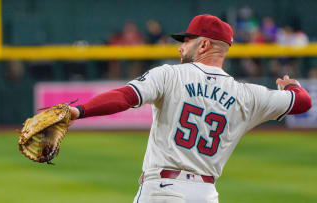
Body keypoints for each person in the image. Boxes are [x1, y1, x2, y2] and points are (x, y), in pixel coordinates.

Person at [68, 14, 312, 203]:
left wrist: (79, 111)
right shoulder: (247, 95)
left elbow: (125, 96)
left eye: (186, 41)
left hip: (162, 191)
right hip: (206, 195)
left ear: (204, 44)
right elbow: (302, 101)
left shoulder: (170, 75)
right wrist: (292, 85)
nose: (180, 47)